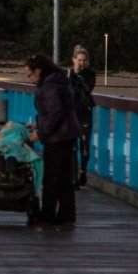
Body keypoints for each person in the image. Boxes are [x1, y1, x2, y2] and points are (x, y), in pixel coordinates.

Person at [26, 52, 82, 228]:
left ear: (39, 70)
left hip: (57, 137)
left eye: (30, 74)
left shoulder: (50, 86)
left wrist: (40, 134)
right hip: (67, 134)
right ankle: (66, 217)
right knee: (65, 177)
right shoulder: (57, 81)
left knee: (51, 177)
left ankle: (47, 216)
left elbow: (55, 114)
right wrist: (37, 125)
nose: (29, 78)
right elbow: (56, 112)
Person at [68, 45, 96, 187]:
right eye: (79, 60)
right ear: (74, 60)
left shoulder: (90, 73)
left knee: (84, 146)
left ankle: (83, 171)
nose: (81, 63)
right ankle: (73, 178)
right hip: (71, 114)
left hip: (85, 112)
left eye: (84, 60)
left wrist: (79, 76)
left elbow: (88, 88)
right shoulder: (68, 74)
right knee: (72, 147)